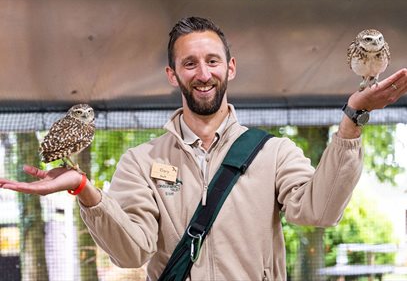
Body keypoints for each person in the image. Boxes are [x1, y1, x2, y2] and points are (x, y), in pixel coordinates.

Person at [1, 16, 406, 280]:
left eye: (213, 61)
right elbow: (131, 252)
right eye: (189, 63)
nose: (203, 73)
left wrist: (352, 118)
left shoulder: (274, 152)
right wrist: (85, 190)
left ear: (230, 67)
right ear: (172, 75)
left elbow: (320, 210)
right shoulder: (142, 162)